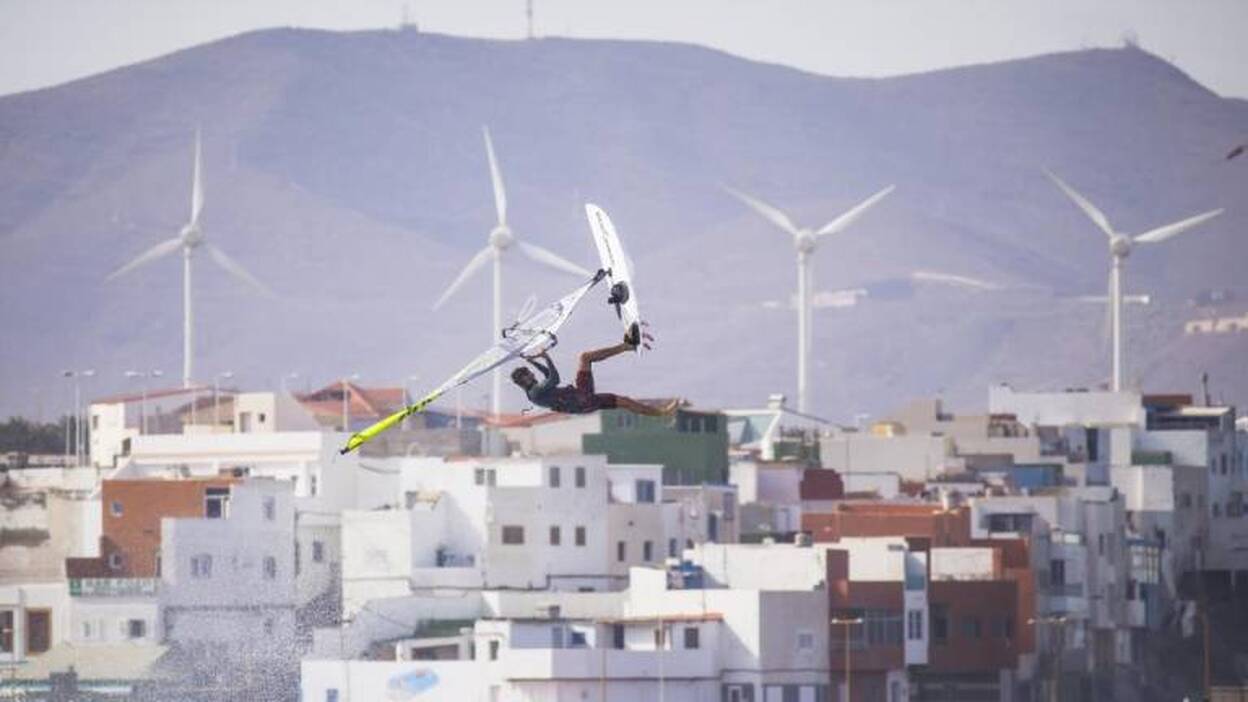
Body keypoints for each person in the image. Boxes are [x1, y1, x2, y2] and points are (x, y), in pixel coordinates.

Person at [511, 331, 676, 416]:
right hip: (582, 398)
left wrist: (533, 360)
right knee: (585, 358)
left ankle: (661, 413)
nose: (532, 375)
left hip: (581, 400)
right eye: (528, 374)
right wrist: (546, 357)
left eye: (530, 372)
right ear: (522, 381)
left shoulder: (535, 392)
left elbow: (548, 375)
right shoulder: (535, 392)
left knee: (623, 401)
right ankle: (627, 346)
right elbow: (554, 378)